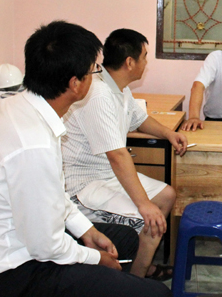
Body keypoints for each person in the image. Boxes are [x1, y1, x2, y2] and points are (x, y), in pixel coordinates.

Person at [0, 21, 171, 297]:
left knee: (125, 240)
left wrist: (87, 231)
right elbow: (46, 245)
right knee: (156, 293)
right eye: (94, 70)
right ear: (75, 84)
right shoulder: (33, 144)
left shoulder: (18, 107)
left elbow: (54, 196)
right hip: (9, 271)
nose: (98, 76)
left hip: (20, 244)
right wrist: (94, 258)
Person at [62, 28, 187, 280]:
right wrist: (144, 204)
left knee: (166, 195)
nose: (146, 62)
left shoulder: (119, 88)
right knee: (148, 218)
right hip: (82, 186)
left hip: (106, 175)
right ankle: (134, 284)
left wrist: (169, 134)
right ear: (130, 62)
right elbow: (117, 156)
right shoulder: (98, 94)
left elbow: (139, 120)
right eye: (145, 56)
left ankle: (140, 270)